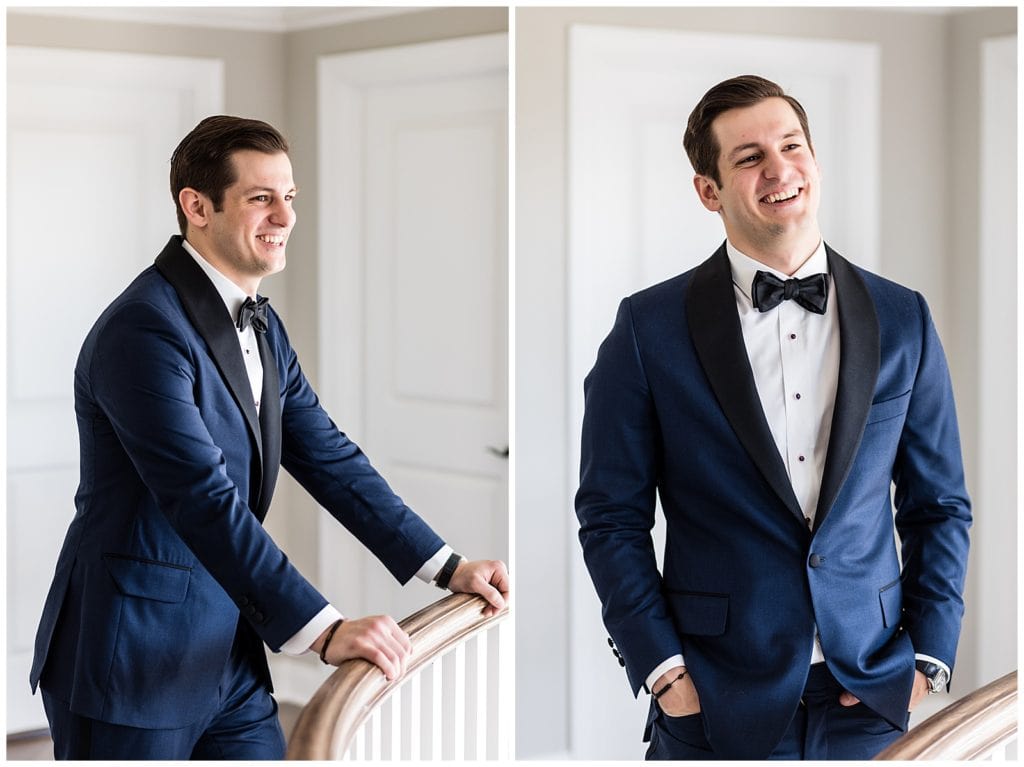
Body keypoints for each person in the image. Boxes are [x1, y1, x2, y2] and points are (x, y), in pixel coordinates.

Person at [30, 115, 509, 760]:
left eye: (290, 196)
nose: (284, 215)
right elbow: (201, 498)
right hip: (131, 657)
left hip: (229, 649)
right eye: (261, 197)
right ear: (196, 207)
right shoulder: (141, 331)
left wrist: (444, 565)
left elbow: (329, 456)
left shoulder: (261, 322)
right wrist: (325, 630)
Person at [575, 75, 970, 760]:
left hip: (871, 690)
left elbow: (939, 504)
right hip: (714, 693)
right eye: (749, 157)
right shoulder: (648, 329)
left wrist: (929, 657)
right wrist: (664, 670)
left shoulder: (904, 317)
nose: (779, 169)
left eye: (791, 145)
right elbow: (611, 515)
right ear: (709, 190)